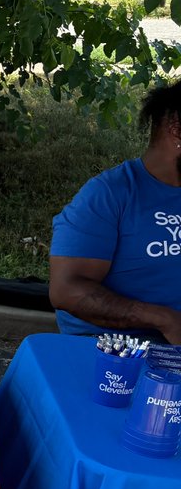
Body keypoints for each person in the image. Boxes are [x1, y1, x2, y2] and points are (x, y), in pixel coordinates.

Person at [49, 81, 181, 344]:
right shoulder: (109, 195)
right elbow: (66, 289)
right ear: (177, 131)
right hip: (115, 350)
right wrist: (165, 320)